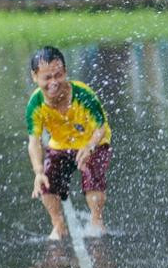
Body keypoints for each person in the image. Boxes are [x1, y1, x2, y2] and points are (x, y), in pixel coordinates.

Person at [25, 47, 112, 240]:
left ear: (65, 72)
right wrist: (38, 171)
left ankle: (97, 221)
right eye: (47, 78)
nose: (54, 82)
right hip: (61, 145)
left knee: (92, 176)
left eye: (58, 75)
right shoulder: (35, 104)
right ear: (35, 76)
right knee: (46, 180)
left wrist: (89, 146)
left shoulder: (83, 94)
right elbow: (34, 142)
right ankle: (58, 225)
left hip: (94, 142)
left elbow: (101, 127)